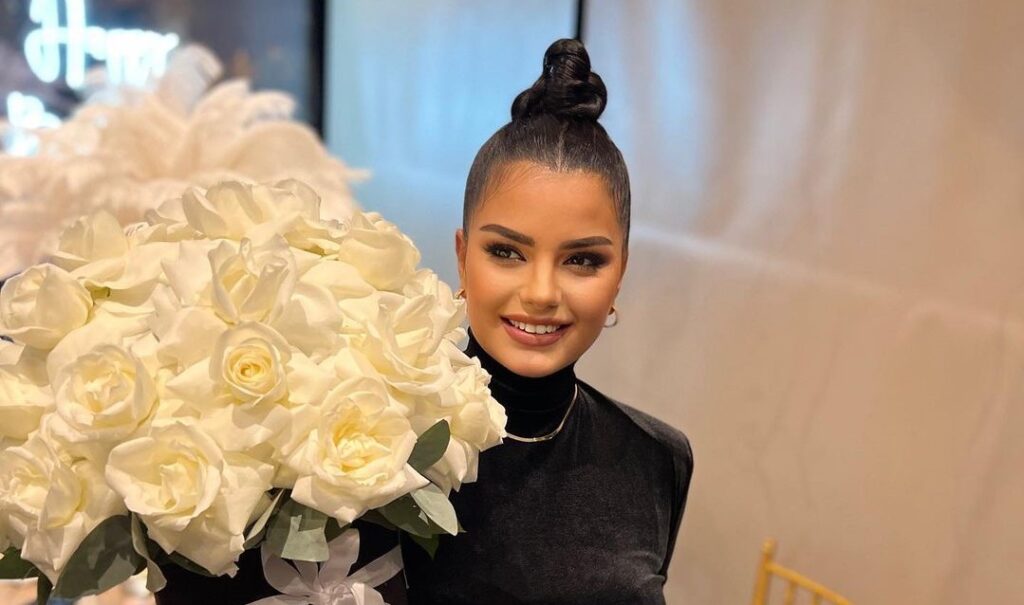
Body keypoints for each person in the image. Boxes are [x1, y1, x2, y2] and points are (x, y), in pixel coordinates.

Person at [402, 38, 694, 604]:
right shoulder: (377, 438)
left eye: (582, 260)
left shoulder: (658, 458)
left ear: (619, 273)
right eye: (506, 252)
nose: (541, 294)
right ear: (462, 257)